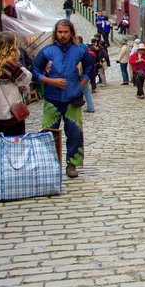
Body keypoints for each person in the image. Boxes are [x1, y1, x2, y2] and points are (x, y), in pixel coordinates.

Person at [32, 19, 94, 178]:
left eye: (66, 32)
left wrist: (81, 84)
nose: (63, 35)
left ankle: (72, 164)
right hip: (52, 98)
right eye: (60, 32)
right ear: (56, 33)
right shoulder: (47, 51)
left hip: (72, 99)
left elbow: (89, 66)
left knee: (74, 133)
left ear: (71, 33)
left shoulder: (79, 51)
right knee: (48, 133)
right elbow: (35, 70)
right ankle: (50, 164)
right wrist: (49, 81)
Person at [0, 31, 31, 137]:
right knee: (16, 143)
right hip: (11, 114)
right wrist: (19, 66)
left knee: (4, 141)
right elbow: (25, 79)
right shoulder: (9, 65)